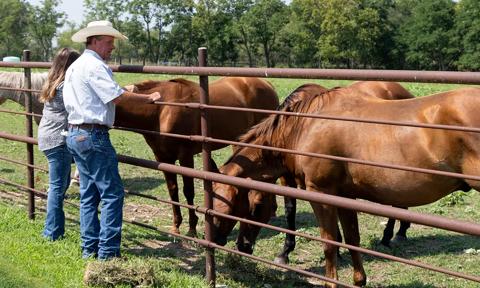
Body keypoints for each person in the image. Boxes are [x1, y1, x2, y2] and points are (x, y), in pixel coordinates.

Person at [63, 20, 162, 260]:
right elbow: (116, 98)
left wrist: (123, 89)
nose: (112, 48)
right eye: (109, 42)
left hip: (76, 133)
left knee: (89, 194)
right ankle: (107, 254)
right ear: (95, 40)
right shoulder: (95, 66)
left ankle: (89, 249)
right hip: (93, 135)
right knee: (112, 194)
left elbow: (101, 93)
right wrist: (149, 98)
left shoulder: (76, 66)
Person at [38, 48, 81, 241]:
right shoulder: (66, 86)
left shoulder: (52, 83)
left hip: (47, 137)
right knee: (57, 187)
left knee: (59, 184)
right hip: (59, 139)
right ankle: (52, 232)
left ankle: (54, 229)